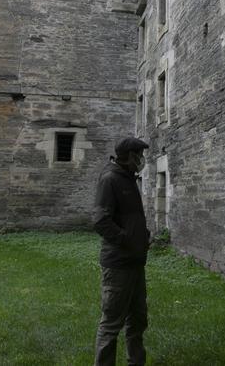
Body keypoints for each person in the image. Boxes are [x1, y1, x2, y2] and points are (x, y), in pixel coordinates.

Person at [92, 136, 151, 366]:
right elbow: (100, 220)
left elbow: (130, 218)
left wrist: (142, 237)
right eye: (139, 154)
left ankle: (136, 362)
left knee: (138, 319)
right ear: (129, 156)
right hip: (118, 264)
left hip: (136, 262)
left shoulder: (128, 178)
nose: (142, 159)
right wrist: (126, 240)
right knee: (111, 323)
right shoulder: (110, 179)